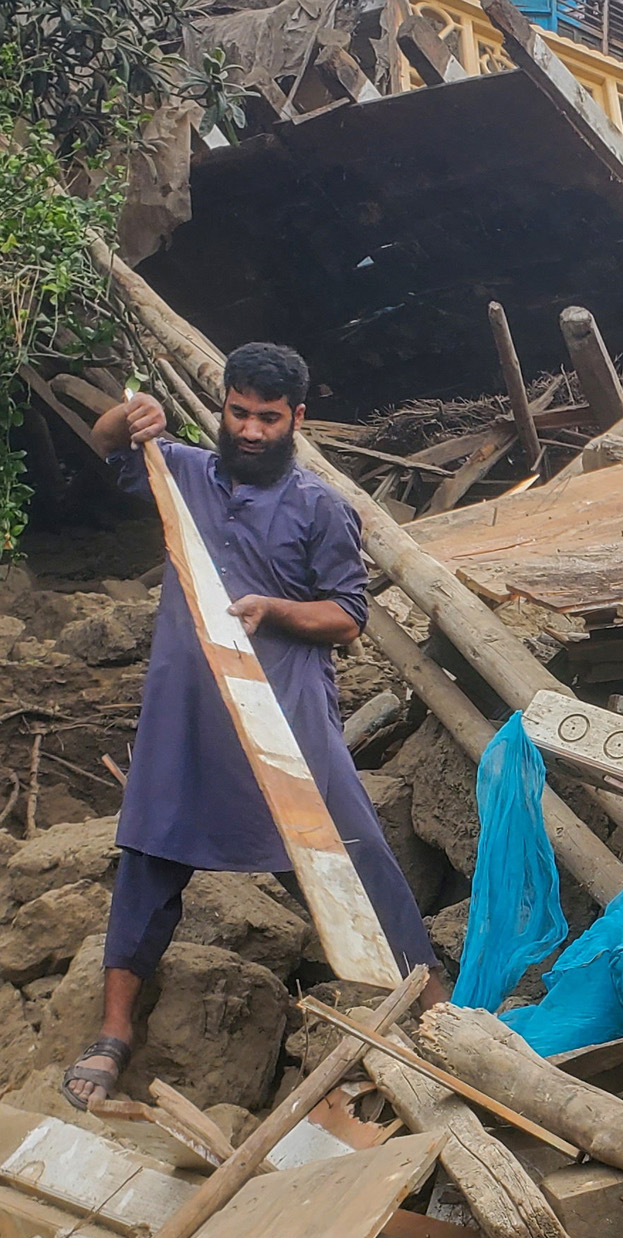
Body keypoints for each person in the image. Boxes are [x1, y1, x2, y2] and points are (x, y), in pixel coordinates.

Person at [62, 342, 439, 1108]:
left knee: (351, 851)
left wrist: (273, 611)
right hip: (188, 709)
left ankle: (431, 1011)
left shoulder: (320, 507)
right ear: (224, 406)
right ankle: (113, 1034)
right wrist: (122, 417)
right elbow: (104, 449)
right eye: (240, 413)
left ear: (297, 419)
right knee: (149, 851)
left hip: (287, 712)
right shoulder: (182, 474)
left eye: (270, 418)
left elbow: (348, 618)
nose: (253, 430)